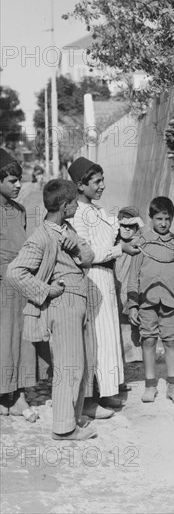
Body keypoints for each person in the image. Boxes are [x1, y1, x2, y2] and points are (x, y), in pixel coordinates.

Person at [7, 179, 97, 440]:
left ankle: (71, 419)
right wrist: (46, 290)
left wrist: (76, 246)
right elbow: (15, 273)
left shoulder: (66, 229)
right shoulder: (42, 237)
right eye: (74, 204)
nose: (77, 208)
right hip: (63, 306)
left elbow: (89, 256)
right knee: (68, 368)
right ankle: (64, 428)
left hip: (78, 303)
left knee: (80, 366)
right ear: (65, 205)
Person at [68, 157, 139, 418]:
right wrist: (119, 249)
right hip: (90, 279)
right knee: (94, 339)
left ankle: (106, 391)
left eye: (102, 180)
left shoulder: (98, 211)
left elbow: (109, 240)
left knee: (108, 337)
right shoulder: (76, 213)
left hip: (106, 279)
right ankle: (88, 400)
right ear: (80, 184)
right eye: (97, 182)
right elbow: (86, 254)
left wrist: (123, 237)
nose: (102, 186)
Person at [126, 197, 174, 404]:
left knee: (171, 341)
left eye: (167, 219)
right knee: (149, 340)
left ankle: (173, 386)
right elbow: (133, 275)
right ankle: (150, 385)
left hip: (170, 303)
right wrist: (133, 304)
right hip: (147, 302)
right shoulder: (141, 243)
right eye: (159, 218)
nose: (163, 223)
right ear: (151, 218)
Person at [0, 149, 38, 421]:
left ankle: (20, 396)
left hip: (20, 282)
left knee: (23, 338)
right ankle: (4, 395)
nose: (17, 185)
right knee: (4, 340)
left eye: (18, 180)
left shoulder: (20, 210)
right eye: (11, 180)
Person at [114, 206, 145, 369]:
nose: (126, 228)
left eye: (131, 226)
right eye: (123, 225)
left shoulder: (139, 244)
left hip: (131, 295)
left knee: (132, 332)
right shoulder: (112, 245)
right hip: (115, 294)